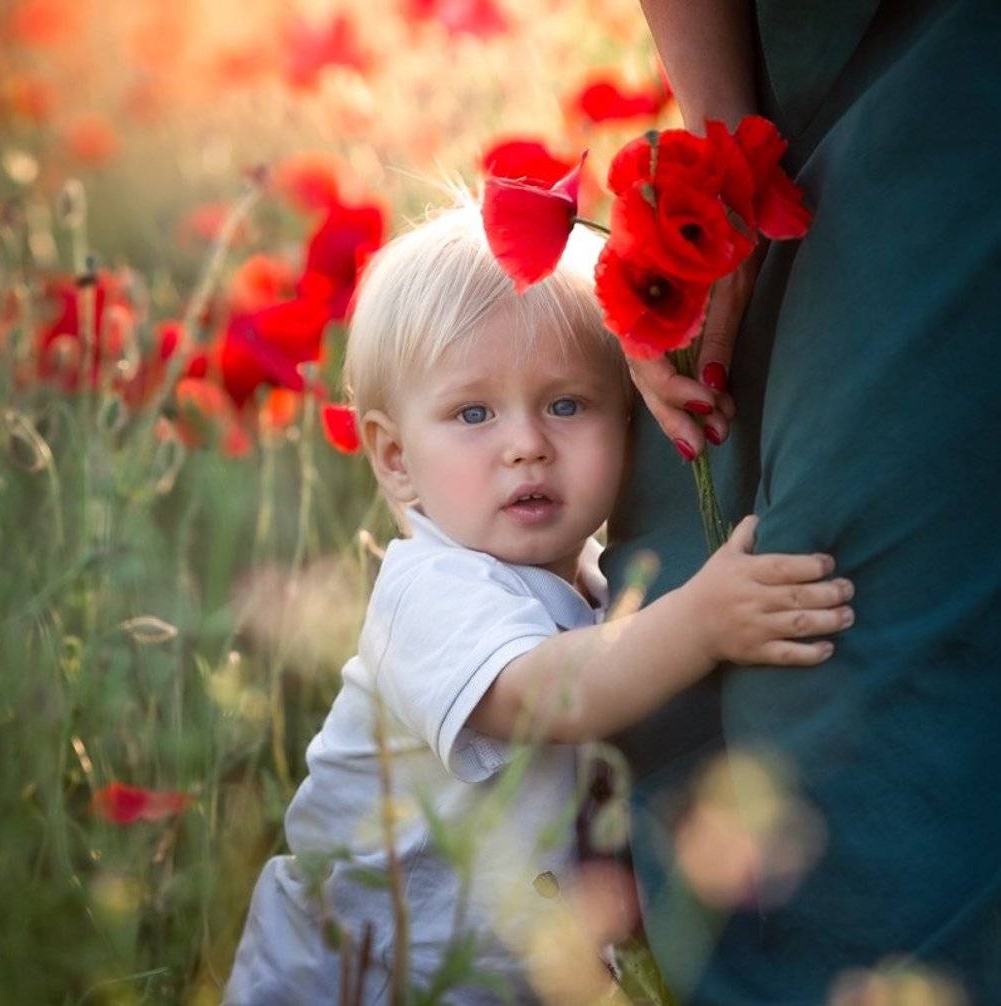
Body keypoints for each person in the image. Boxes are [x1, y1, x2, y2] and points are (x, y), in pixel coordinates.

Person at [222, 199, 855, 1004]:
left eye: (566, 404)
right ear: (395, 457)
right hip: (356, 979)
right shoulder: (427, 593)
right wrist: (705, 619)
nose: (526, 443)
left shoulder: (595, 584)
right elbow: (547, 697)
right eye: (473, 413)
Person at [606, 0, 1001, 1000]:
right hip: (790, 82)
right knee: (693, 512)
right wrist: (724, 158)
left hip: (955, 76)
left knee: (838, 623)